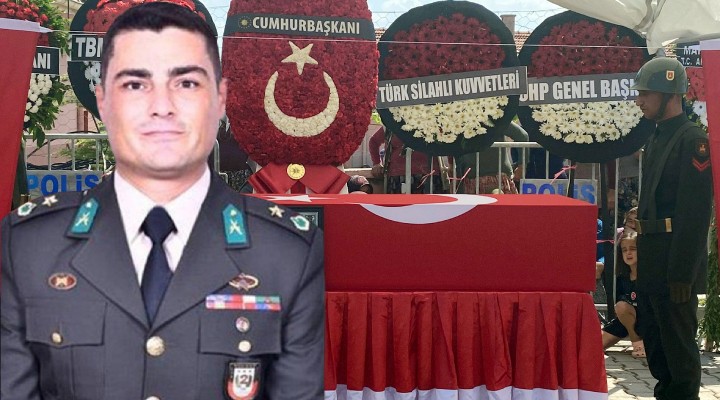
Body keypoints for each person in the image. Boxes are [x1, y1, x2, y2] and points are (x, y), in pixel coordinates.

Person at [1, 3, 325, 400]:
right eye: (135, 84)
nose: (162, 106)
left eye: (186, 83)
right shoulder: (29, 245)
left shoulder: (287, 253)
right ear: (102, 101)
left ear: (220, 99)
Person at [631, 57, 713, 400]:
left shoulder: (692, 140)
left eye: (646, 93)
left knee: (678, 350)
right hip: (653, 256)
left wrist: (682, 275)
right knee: (655, 342)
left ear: (670, 95)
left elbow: (694, 216)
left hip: (674, 262)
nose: (639, 100)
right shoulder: (658, 136)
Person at [601, 231, 645, 358]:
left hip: (648, 323)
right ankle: (634, 336)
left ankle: (638, 343)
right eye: (624, 250)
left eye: (633, 249)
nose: (628, 253)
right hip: (626, 322)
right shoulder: (621, 278)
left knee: (622, 306)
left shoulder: (649, 277)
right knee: (595, 344)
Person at [457, 121, 528, 194]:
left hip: (496, 179)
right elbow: (523, 136)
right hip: (470, 181)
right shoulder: (459, 119)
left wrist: (522, 166)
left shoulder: (496, 118)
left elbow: (522, 136)